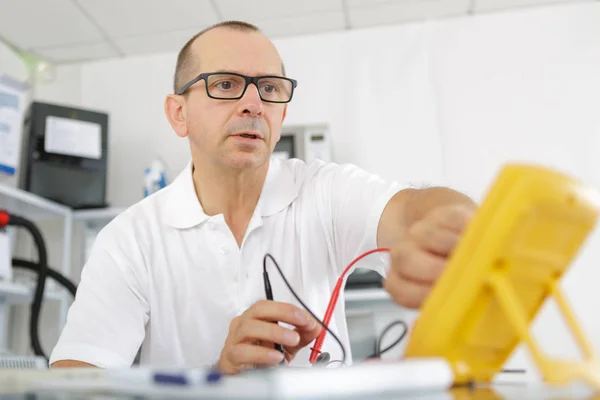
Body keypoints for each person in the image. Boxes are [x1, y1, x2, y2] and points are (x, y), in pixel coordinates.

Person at [50, 20, 476, 374]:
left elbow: (412, 209)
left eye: (270, 88)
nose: (253, 103)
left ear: (282, 114)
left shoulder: (324, 192)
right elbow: (76, 381)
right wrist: (217, 379)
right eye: (226, 84)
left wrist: (454, 225)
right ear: (179, 113)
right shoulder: (131, 240)